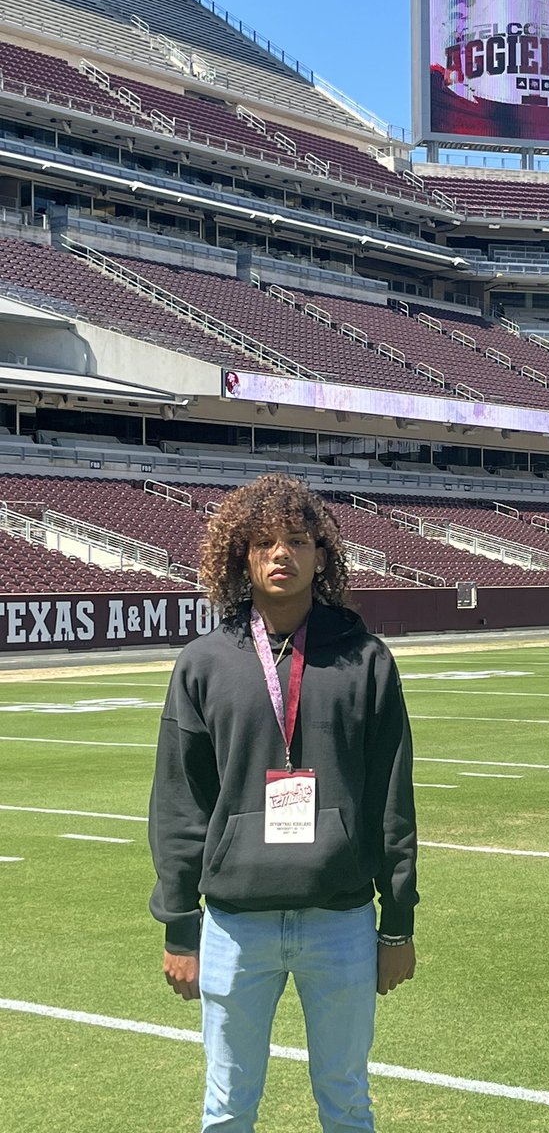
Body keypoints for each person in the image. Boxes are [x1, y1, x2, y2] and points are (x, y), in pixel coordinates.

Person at [149, 473, 418, 1132]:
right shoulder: (203, 664)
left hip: (342, 921)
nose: (281, 554)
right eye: (264, 542)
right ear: (240, 555)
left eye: (297, 541)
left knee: (348, 1102)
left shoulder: (365, 660)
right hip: (236, 926)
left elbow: (392, 800)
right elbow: (181, 805)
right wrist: (180, 925)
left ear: (320, 555)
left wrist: (398, 921)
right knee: (227, 1110)